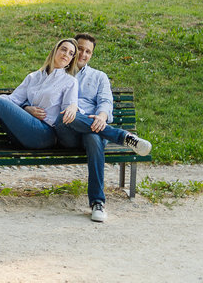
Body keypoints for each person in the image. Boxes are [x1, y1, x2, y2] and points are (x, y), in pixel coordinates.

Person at [55, 32, 152, 223]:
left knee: (94, 136)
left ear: (91, 55)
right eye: (80, 49)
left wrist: (101, 116)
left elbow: (106, 101)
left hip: (94, 128)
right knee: (66, 114)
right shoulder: (58, 73)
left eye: (88, 51)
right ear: (73, 50)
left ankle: (97, 203)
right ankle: (122, 136)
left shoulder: (99, 77)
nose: (83, 54)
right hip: (67, 131)